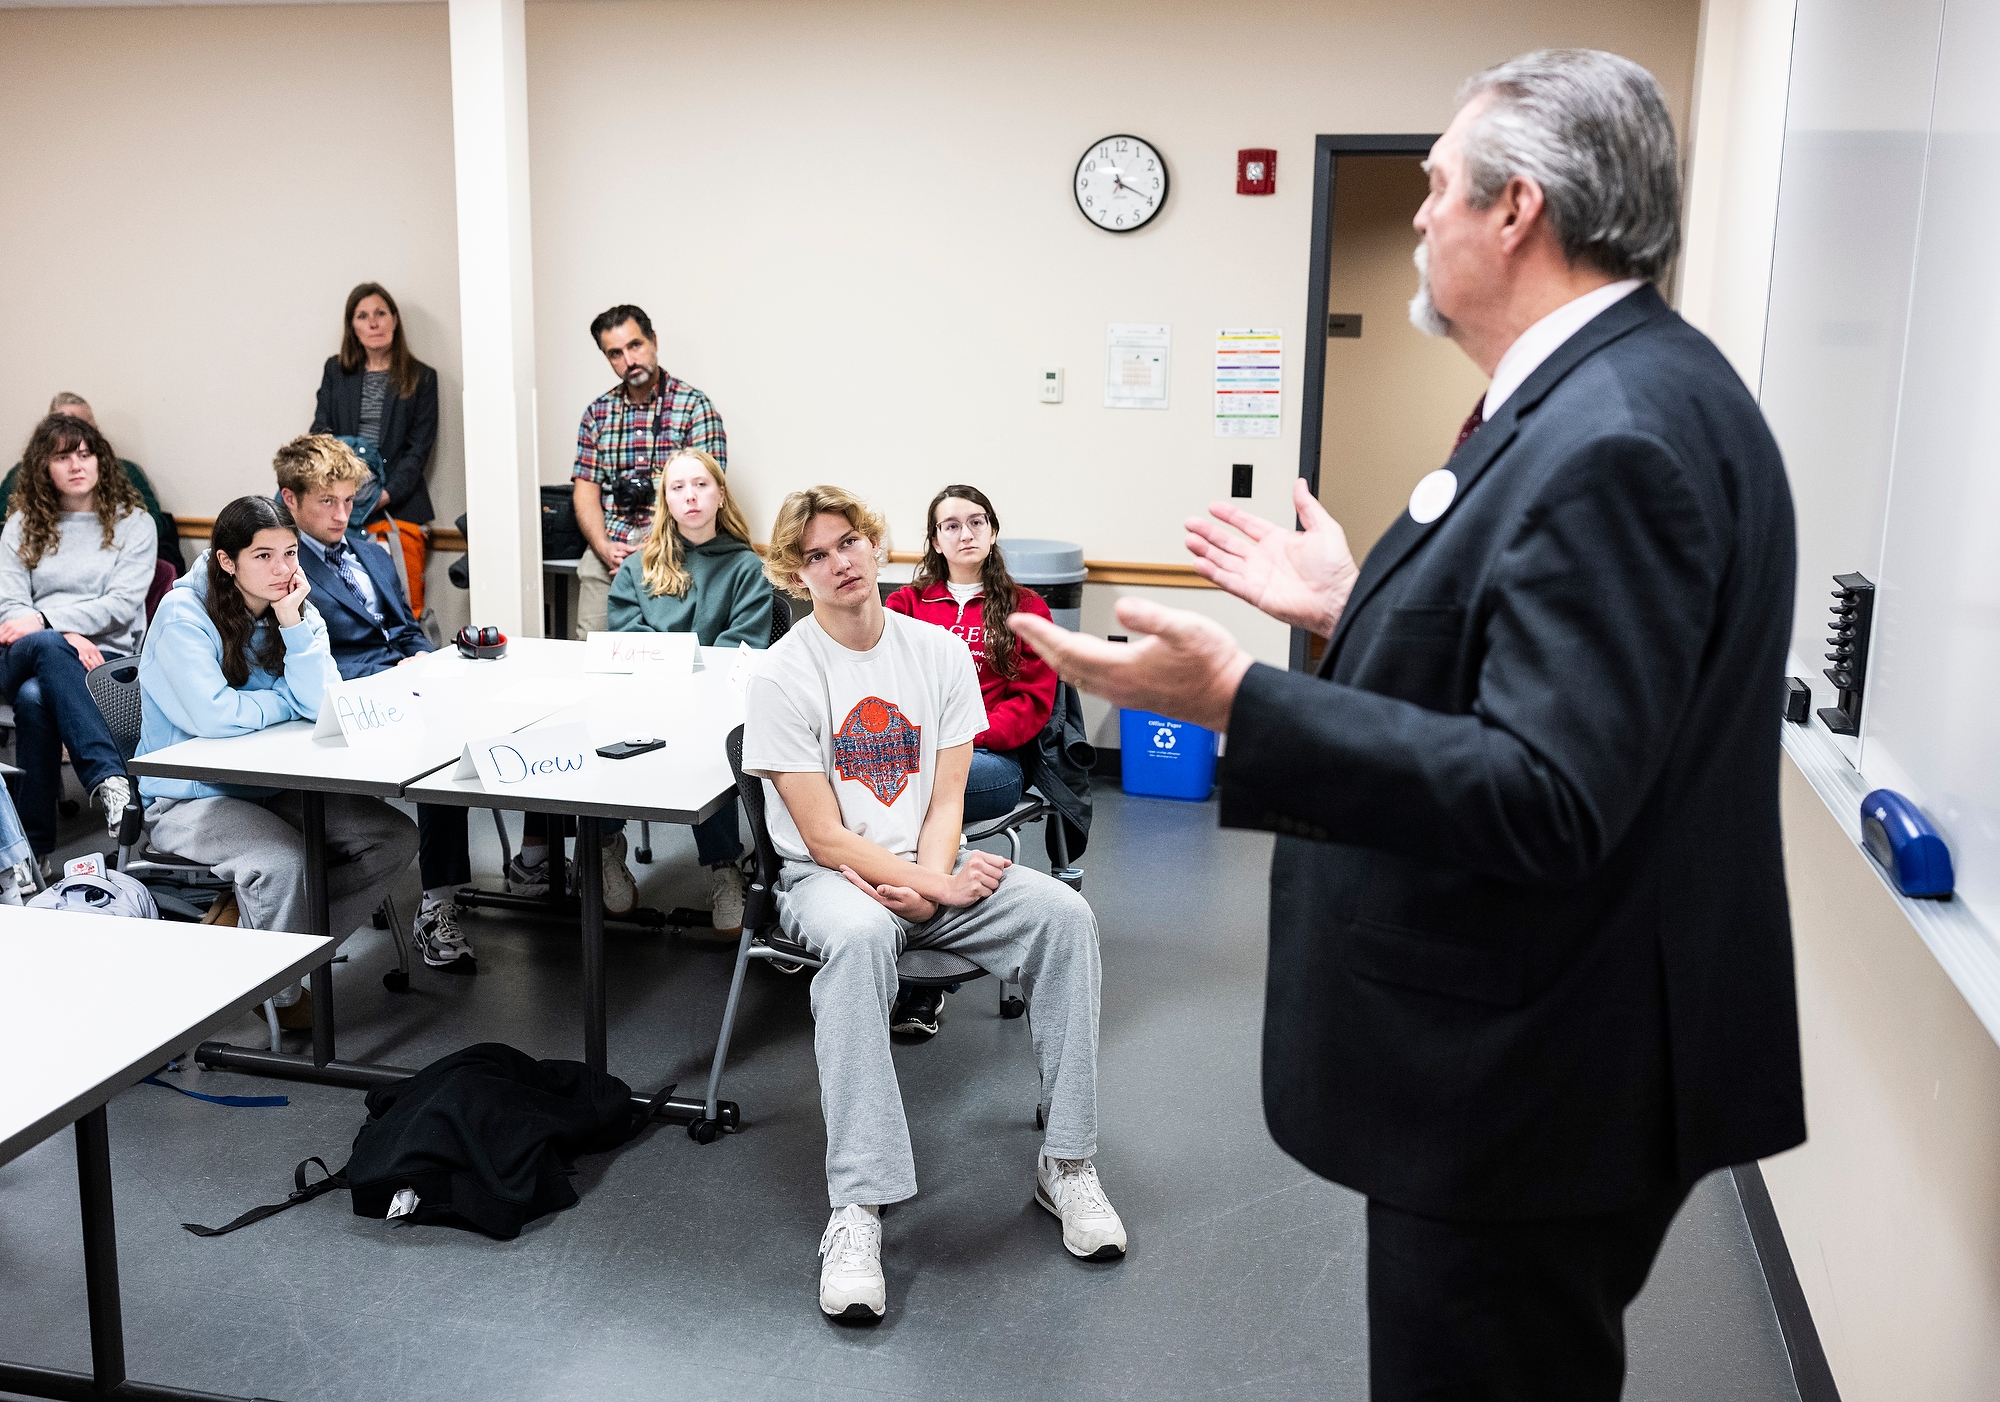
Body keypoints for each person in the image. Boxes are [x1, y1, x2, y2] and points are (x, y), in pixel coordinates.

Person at [1011, 49, 1805, 1400]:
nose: (1422, 217)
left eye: (1439, 186)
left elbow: (1550, 791)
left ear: (1519, 210)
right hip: (1563, 1040)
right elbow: (1538, 659)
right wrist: (1353, 600)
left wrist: (1242, 701)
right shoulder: (1613, 393)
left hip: (1536, 1068)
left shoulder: (1614, 433)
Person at [742, 485, 1123, 1322]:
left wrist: (931, 877)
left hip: (928, 863)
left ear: (876, 546)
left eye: (848, 542)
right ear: (793, 574)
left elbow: (950, 797)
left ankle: (1068, 1162)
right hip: (828, 878)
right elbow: (825, 836)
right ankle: (859, 1205)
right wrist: (929, 888)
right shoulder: (781, 674)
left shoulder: (937, 654)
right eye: (815, 554)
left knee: (1065, 916)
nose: (838, 562)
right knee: (859, 943)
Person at [137, 495, 417, 1008]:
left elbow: (320, 703)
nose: (283, 569)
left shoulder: (292, 604)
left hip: (268, 783)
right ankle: (283, 998)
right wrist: (282, 701)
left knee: (393, 836)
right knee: (284, 864)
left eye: (289, 552)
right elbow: (214, 717)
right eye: (263, 556)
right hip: (187, 797)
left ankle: (266, 941)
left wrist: (293, 624)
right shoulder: (182, 614)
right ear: (227, 561)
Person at [275, 435, 476, 974]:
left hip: (401, 687)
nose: (343, 515)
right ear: (290, 501)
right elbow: (306, 663)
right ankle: (437, 904)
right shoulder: (282, 569)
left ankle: (463, 886)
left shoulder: (371, 552)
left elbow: (408, 631)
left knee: (470, 726)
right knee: (442, 757)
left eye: (349, 500)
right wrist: (393, 676)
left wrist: (429, 664)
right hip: (343, 705)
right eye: (327, 502)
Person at [883, 484, 1058, 1036]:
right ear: (935, 539)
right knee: (890, 794)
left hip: (991, 763)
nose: (965, 533)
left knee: (913, 796)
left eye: (976, 521)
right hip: (913, 758)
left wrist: (964, 743)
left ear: (993, 531)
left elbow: (1032, 705)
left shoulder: (1027, 608)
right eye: (951, 525)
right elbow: (881, 687)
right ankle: (884, 928)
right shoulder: (904, 605)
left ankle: (920, 983)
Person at [600, 446, 770, 933]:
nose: (690, 495)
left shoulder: (745, 567)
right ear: (666, 503)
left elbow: (740, 646)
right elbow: (624, 637)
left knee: (714, 741)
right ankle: (607, 848)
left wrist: (674, 658)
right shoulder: (638, 568)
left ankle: (724, 867)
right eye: (678, 487)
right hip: (642, 701)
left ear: (719, 495)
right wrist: (678, 660)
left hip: (711, 704)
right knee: (601, 731)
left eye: (701, 485)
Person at [0, 412, 154, 868]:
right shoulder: (22, 526)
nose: (76, 465)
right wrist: (62, 632)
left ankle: (33, 854)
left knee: (34, 700)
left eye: (85, 454)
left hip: (104, 656)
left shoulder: (134, 524)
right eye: (62, 456)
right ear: (43, 467)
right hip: (26, 651)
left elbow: (122, 605)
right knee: (45, 654)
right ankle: (108, 778)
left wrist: (46, 618)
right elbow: (11, 614)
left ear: (101, 461)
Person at [570, 304, 726, 638]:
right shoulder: (597, 414)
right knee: (590, 648)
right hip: (608, 549)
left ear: (653, 340)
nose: (628, 360)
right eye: (615, 353)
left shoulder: (694, 407)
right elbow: (586, 490)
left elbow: (704, 491)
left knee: (664, 655)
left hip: (677, 550)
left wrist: (656, 545)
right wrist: (601, 544)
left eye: (635, 345)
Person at [311, 282, 441, 612]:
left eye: (381, 313)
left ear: (395, 320)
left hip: (398, 507)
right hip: (341, 503)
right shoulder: (335, 371)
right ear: (352, 326)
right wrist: (345, 493)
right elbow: (321, 434)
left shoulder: (421, 377)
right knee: (348, 606)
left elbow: (418, 449)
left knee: (402, 607)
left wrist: (384, 494)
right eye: (363, 316)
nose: (373, 322)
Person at [1, 392, 181, 573]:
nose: (75, 465)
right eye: (62, 456)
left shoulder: (127, 477)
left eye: (83, 426)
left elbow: (153, 523)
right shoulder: (20, 491)